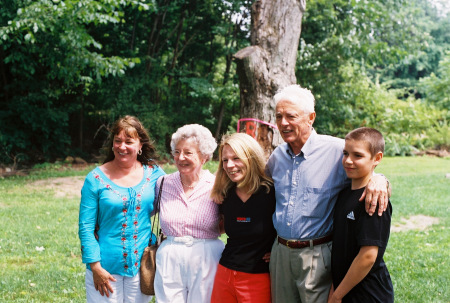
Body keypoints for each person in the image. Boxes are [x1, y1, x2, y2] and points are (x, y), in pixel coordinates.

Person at [266, 85, 391, 303]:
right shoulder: (277, 157)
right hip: (281, 253)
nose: (283, 122)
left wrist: (381, 180)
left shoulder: (337, 151)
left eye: (291, 116)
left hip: (317, 256)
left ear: (311, 117)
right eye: (278, 116)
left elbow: (366, 166)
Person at [78, 115, 165, 303]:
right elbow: (86, 226)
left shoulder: (155, 174)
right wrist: (95, 267)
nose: (122, 146)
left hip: (142, 266)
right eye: (117, 141)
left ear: (140, 145)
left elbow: (174, 200)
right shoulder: (95, 179)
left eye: (128, 141)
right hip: (105, 267)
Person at [154, 124, 224, 303]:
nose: (180, 158)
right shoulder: (162, 183)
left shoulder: (217, 185)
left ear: (204, 157)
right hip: (169, 256)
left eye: (188, 152)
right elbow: (139, 212)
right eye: (177, 152)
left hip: (206, 256)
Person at [329, 127, 393, 303]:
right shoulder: (344, 194)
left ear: (377, 158)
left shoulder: (374, 200)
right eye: (345, 153)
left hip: (369, 294)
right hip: (346, 289)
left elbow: (368, 256)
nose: (348, 161)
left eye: (357, 155)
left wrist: (337, 295)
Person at [210, 133, 277, 303]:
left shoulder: (271, 192)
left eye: (236, 158)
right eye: (225, 160)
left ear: (251, 158)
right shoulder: (224, 194)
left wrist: (277, 250)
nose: (229, 165)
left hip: (258, 276)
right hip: (225, 272)